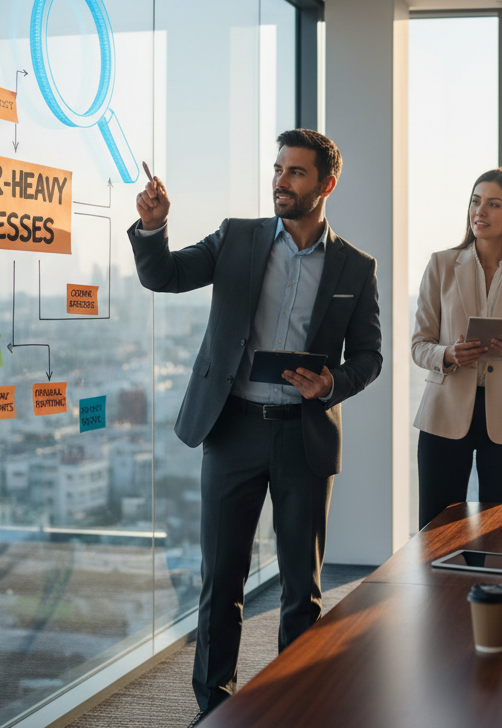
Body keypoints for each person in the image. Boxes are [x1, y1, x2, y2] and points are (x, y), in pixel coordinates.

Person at [128, 129, 382, 723]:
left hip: (303, 436)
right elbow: (165, 275)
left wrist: (331, 383)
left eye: (295, 172)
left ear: (326, 184)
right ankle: (213, 708)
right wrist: (153, 227)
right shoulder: (237, 237)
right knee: (221, 580)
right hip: (233, 429)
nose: (280, 181)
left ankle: (295, 707)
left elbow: (369, 356)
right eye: (277, 169)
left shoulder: (355, 266)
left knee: (301, 589)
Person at [411, 169, 502, 529]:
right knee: (436, 531)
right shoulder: (442, 264)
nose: (480, 211)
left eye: (493, 204)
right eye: (476, 201)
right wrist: (448, 355)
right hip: (444, 414)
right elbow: (419, 345)